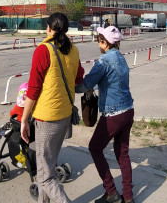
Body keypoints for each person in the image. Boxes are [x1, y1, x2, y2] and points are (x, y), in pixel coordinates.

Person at [21, 12, 84, 203]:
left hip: (46, 119)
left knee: (45, 177)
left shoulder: (43, 50)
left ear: (48, 28)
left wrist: (24, 119)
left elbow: (33, 89)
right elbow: (78, 78)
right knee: (48, 166)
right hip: (65, 116)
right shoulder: (73, 49)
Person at [76, 26, 135, 203]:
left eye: (99, 41)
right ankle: (128, 197)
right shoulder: (121, 58)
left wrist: (69, 87)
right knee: (122, 154)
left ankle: (111, 192)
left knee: (95, 148)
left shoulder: (104, 61)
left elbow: (86, 84)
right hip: (128, 110)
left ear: (105, 42)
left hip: (113, 113)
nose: (98, 44)